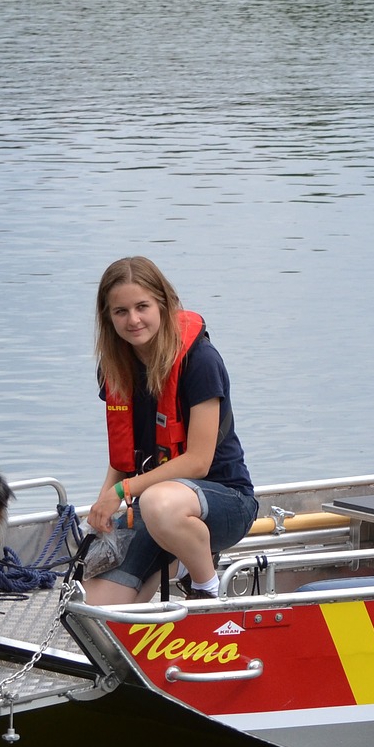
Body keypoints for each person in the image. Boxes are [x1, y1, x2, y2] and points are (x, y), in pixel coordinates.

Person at [84, 257, 255, 604]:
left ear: (163, 303)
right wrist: (103, 505)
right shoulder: (114, 368)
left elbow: (198, 463)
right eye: (120, 311)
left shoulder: (201, 361)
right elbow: (122, 455)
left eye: (142, 307)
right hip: (153, 508)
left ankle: (206, 588)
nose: (133, 320)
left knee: (159, 503)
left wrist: (122, 490)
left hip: (224, 501)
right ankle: (178, 559)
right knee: (98, 606)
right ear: (107, 317)